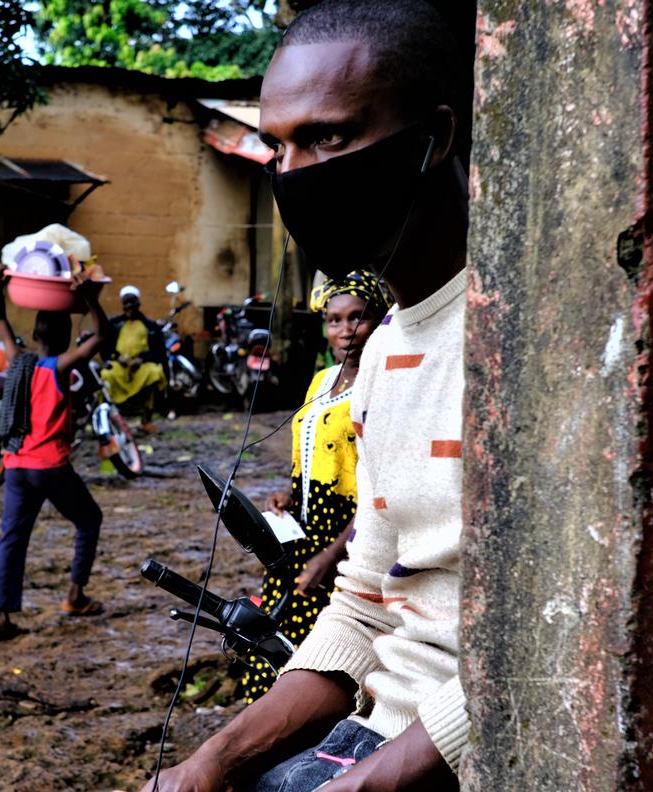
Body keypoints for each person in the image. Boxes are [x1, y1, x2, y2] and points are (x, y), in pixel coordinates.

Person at [140, 0, 469, 789]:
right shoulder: (387, 352)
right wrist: (210, 763)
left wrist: (371, 781)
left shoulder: (524, 347)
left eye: (329, 137)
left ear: (437, 136)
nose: (296, 176)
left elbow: (547, 638)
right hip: (364, 733)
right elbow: (364, 607)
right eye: (275, 147)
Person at [239, 270, 391, 701]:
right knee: (272, 639)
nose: (345, 332)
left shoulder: (380, 385)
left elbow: (380, 488)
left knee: (321, 655)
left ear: (380, 319)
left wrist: (331, 556)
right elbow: (310, 452)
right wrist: (290, 492)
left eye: (357, 318)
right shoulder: (322, 381)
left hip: (347, 541)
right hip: (301, 538)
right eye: (334, 320)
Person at [0, 260, 111, 641]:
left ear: (36, 335)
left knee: (12, 539)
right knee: (89, 520)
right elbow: (103, 333)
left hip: (16, 464)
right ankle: (74, 595)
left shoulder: (18, 361)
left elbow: (0, 320)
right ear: (63, 338)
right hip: (50, 467)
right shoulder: (60, 365)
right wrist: (88, 295)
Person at [99, 284, 167, 434]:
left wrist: (142, 359)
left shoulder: (150, 326)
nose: (129, 306)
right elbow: (105, 348)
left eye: (132, 303)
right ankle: (108, 422)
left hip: (140, 366)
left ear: (138, 304)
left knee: (154, 373)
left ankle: (146, 420)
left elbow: (159, 351)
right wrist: (117, 357)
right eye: (126, 303)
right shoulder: (114, 324)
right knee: (106, 376)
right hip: (120, 365)